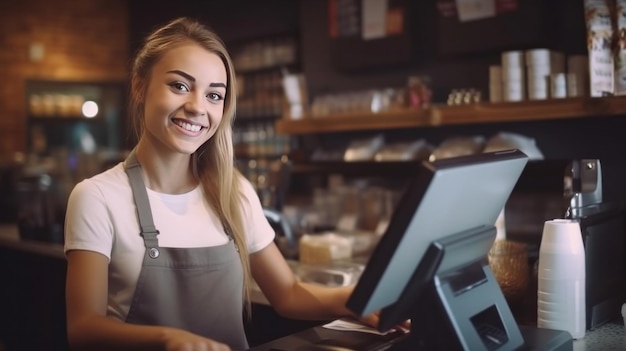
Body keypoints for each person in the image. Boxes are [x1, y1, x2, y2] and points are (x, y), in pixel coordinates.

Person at [63, 17, 379, 351]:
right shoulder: (96, 197)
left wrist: (358, 300)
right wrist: (168, 338)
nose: (197, 107)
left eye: (214, 95)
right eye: (180, 86)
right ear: (139, 86)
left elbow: (288, 294)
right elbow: (84, 330)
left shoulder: (234, 192)